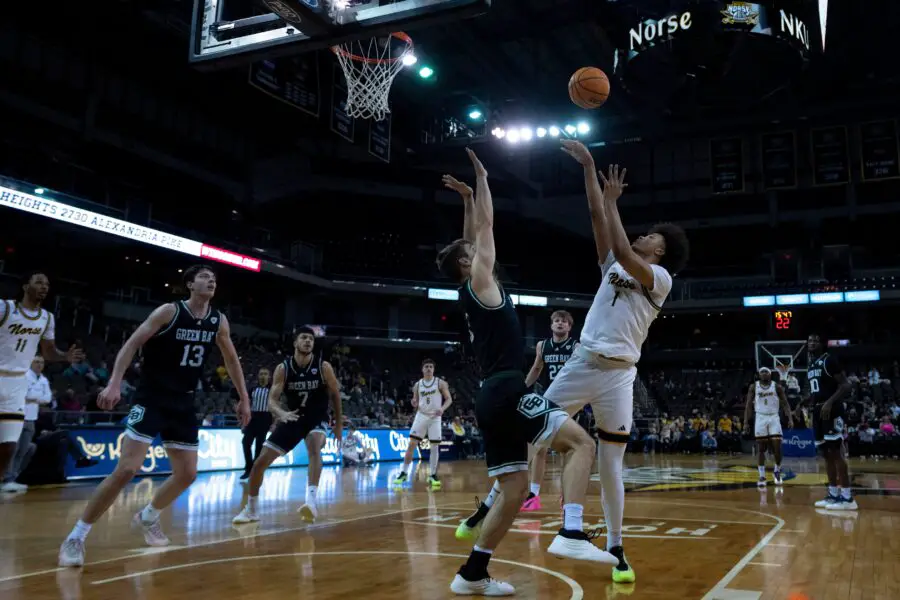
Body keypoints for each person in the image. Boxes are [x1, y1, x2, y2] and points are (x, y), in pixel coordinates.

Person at [438, 148, 616, 597]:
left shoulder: (469, 288)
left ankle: (471, 573)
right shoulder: (479, 278)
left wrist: (464, 201)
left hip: (490, 395)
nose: (479, 252)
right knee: (581, 443)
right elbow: (485, 229)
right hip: (505, 390)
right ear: (467, 263)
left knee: (515, 489)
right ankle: (571, 533)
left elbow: (470, 237)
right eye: (471, 253)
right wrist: (481, 179)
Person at [539, 141, 690, 584]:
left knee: (611, 468)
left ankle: (617, 547)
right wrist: (589, 169)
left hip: (620, 377)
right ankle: (499, 501)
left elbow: (624, 249)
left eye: (651, 238)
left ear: (659, 252)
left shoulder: (660, 279)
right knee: (534, 428)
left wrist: (612, 204)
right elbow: (597, 221)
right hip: (583, 363)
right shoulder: (612, 265)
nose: (643, 237)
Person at [58, 265, 251, 567]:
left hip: (184, 402)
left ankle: (148, 516)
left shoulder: (218, 320)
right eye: (204, 276)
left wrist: (243, 398)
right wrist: (114, 382)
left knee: (187, 474)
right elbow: (133, 343)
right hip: (152, 398)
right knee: (126, 470)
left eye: (214, 278)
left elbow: (230, 358)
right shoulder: (168, 312)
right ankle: (76, 536)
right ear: (189, 284)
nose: (211, 280)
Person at [232, 327, 342, 525]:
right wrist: (281, 413)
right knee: (259, 463)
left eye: (311, 338)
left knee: (314, 446)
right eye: (304, 337)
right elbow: (272, 400)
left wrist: (339, 424)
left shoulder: (323, 366)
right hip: (292, 418)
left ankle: (311, 502)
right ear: (295, 342)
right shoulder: (284, 368)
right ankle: (252, 509)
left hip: (317, 418)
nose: (308, 341)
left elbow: (335, 395)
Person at [0, 272, 82, 491]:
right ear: (26, 286)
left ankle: (1, 481)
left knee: (9, 444)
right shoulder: (5, 308)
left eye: (47, 284)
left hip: (17, 383)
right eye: (38, 282)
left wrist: (64, 356)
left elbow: (48, 352)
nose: (44, 286)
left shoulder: (47, 318)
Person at [522, 310, 578, 511]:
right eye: (556, 321)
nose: (560, 323)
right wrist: (522, 388)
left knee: (567, 449)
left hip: (571, 400)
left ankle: (567, 492)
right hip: (549, 400)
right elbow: (537, 369)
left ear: (569, 327)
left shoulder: (575, 347)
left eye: (564, 321)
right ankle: (533, 495)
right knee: (539, 447)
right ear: (551, 325)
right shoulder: (542, 346)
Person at [803, 334, 855, 510]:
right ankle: (833, 494)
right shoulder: (810, 366)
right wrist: (805, 405)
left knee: (836, 452)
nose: (812, 343)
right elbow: (816, 392)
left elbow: (846, 385)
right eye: (810, 341)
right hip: (818, 411)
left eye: (816, 340)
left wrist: (829, 402)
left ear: (822, 344)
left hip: (832, 410)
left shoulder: (829, 360)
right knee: (825, 453)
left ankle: (847, 497)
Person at [393, 358, 452, 489]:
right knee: (411, 444)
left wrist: (442, 408)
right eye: (426, 367)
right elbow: (415, 400)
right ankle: (403, 472)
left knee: (434, 447)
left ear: (434, 369)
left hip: (435, 417)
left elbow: (449, 399)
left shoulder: (440, 383)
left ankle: (432, 475)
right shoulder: (417, 385)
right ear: (422, 369)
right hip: (421, 416)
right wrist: (413, 402)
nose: (429, 369)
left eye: (431, 366)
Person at [2, 355, 53, 491]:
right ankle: (5, 478)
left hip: (32, 418)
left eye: (42, 362)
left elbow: (48, 398)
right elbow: (24, 394)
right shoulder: (24, 376)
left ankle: (12, 478)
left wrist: (33, 398)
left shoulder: (44, 380)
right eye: (36, 362)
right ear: (31, 363)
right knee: (14, 449)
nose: (39, 364)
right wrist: (37, 398)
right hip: (18, 416)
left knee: (24, 449)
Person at [744, 367, 794, 487]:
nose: (764, 373)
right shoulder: (753, 387)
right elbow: (748, 405)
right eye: (762, 372)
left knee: (777, 446)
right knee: (761, 448)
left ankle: (777, 470)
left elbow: (785, 403)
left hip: (773, 417)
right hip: (760, 417)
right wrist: (746, 422)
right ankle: (762, 476)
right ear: (759, 374)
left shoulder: (777, 386)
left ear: (770, 375)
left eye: (766, 372)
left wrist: (790, 418)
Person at [240, 368, 273, 480]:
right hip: (253, 418)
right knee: (245, 442)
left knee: (259, 446)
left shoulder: (273, 389)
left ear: (269, 376)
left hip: (265, 418)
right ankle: (248, 467)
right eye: (261, 374)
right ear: (258, 376)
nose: (263, 376)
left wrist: (274, 423)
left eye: (265, 373)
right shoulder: (252, 389)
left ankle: (255, 470)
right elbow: (247, 405)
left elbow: (276, 406)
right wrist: (243, 422)